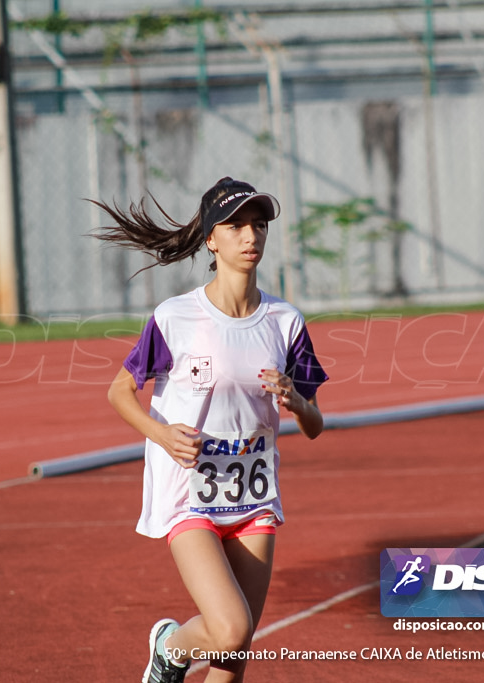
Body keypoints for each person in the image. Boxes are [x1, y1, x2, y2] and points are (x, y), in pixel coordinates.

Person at [94, 177, 329, 682]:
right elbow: (119, 391)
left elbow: (315, 423)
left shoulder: (285, 322)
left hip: (253, 498)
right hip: (190, 492)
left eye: (259, 225)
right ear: (211, 239)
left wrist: (295, 401)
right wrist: (161, 434)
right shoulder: (176, 317)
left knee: (233, 654)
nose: (251, 236)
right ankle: (169, 650)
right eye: (237, 225)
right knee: (228, 628)